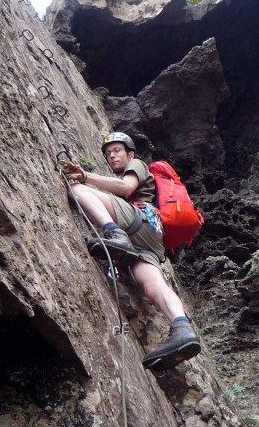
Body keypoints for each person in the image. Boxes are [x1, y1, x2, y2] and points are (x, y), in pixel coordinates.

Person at [59, 133, 201, 371]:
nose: (111, 155)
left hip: (139, 221)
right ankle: (182, 328)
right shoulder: (126, 174)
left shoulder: (137, 165)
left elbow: (126, 188)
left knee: (77, 190)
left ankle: (115, 233)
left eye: (116, 150)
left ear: (130, 154)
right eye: (108, 153)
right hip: (151, 238)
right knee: (153, 285)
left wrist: (85, 176)